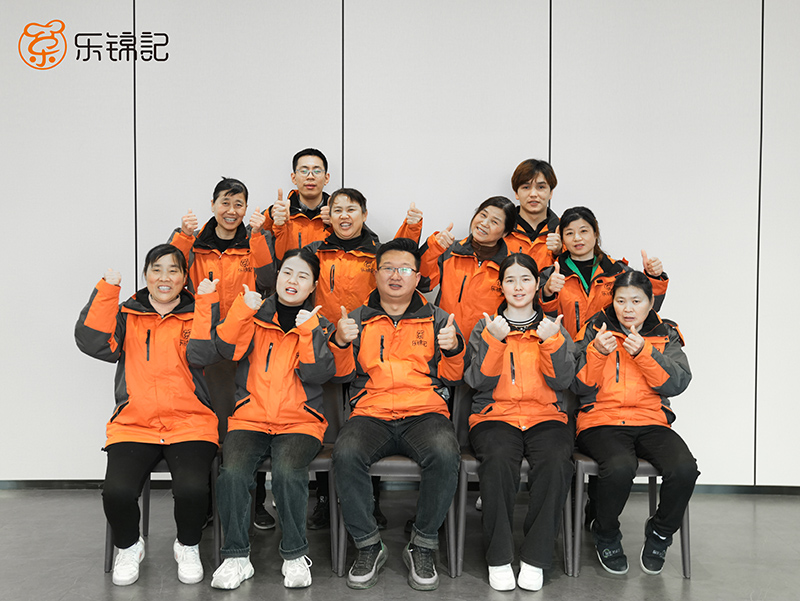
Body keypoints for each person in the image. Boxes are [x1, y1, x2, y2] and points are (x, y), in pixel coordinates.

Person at [75, 244, 221, 586]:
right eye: (157, 269)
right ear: (145, 275)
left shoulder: (197, 312)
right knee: (117, 492)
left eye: (173, 270)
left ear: (184, 278)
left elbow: (204, 355)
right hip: (135, 424)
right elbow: (93, 343)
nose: (164, 277)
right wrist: (107, 291)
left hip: (190, 423)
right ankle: (129, 547)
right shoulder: (127, 314)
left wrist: (206, 305)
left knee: (192, 490)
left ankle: (187, 545)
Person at [283, 187, 423, 530]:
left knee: (367, 424)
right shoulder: (315, 252)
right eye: (338, 210)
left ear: (364, 214)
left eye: (352, 209)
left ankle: (371, 502)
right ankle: (324, 501)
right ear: (328, 216)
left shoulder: (377, 253)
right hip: (323, 342)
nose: (344, 216)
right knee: (328, 425)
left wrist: (413, 227)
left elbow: (408, 275)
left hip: (369, 343)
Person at [331, 238, 465, 591]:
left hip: (424, 411)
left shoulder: (438, 319)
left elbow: (452, 378)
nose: (395, 276)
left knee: (444, 452)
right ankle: (368, 545)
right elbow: (342, 376)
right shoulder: (357, 319)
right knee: (346, 453)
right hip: (371, 411)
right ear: (375, 274)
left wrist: (453, 349)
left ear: (417, 277)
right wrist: (340, 342)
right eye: (388, 268)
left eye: (404, 269)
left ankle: (423, 544)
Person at [210, 248, 336, 590]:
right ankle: (236, 557)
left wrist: (309, 332)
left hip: (300, 422)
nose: (293, 281)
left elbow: (317, 374)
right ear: (277, 277)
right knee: (233, 472)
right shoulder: (254, 316)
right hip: (250, 419)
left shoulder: (319, 324)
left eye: (303, 276)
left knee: (288, 471)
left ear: (313, 286)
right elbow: (227, 349)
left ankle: (295, 554)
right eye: (287, 273)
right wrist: (242, 309)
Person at [572, 270, 698, 576]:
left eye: (636, 301)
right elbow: (576, 384)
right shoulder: (594, 329)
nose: (628, 308)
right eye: (621, 301)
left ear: (651, 302)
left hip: (650, 420)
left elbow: (677, 382)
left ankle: (660, 533)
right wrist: (596, 353)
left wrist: (644, 352)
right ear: (612, 302)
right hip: (601, 420)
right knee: (619, 467)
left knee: (684, 469)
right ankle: (606, 532)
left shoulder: (665, 333)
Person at [168, 177, 276, 530]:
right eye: (225, 203)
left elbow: (269, 280)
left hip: (248, 345)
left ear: (246, 208)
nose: (232, 211)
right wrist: (183, 236)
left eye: (238, 204)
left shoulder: (254, 241)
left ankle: (254, 504)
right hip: (206, 346)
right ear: (213, 205)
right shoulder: (196, 244)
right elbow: (170, 275)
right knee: (210, 424)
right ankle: (209, 502)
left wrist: (259, 237)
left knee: (248, 422)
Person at [464, 253, 575, 591]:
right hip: (495, 415)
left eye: (525, 279)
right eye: (510, 280)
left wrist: (552, 341)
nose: (518, 287)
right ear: (501, 286)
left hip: (545, 416)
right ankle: (498, 557)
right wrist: (494, 340)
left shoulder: (553, 327)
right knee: (498, 460)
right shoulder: (486, 326)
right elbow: (476, 381)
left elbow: (564, 381)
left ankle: (535, 558)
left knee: (556, 461)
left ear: (537, 284)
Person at [540, 205, 669, 340]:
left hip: (610, 349)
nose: (577, 238)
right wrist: (547, 293)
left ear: (595, 233)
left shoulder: (618, 271)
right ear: (562, 238)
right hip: (566, 350)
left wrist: (653, 277)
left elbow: (649, 308)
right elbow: (541, 319)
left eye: (583, 231)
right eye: (569, 233)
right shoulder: (551, 275)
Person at [419, 196, 517, 340]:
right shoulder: (450, 251)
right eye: (483, 215)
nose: (484, 223)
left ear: (505, 233)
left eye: (494, 222)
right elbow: (423, 284)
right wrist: (434, 248)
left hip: (486, 343)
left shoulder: (512, 265)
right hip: (445, 338)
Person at [261, 148, 332, 253]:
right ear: (293, 178)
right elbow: (251, 241)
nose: (310, 177)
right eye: (304, 171)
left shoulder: (338, 215)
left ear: (326, 178)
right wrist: (271, 217)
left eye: (317, 171)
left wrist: (336, 224)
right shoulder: (279, 212)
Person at [505, 159, 562, 270]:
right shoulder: (502, 229)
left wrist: (560, 253)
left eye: (541, 187)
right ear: (516, 193)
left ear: (551, 193)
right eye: (526, 187)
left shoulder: (565, 231)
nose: (533, 194)